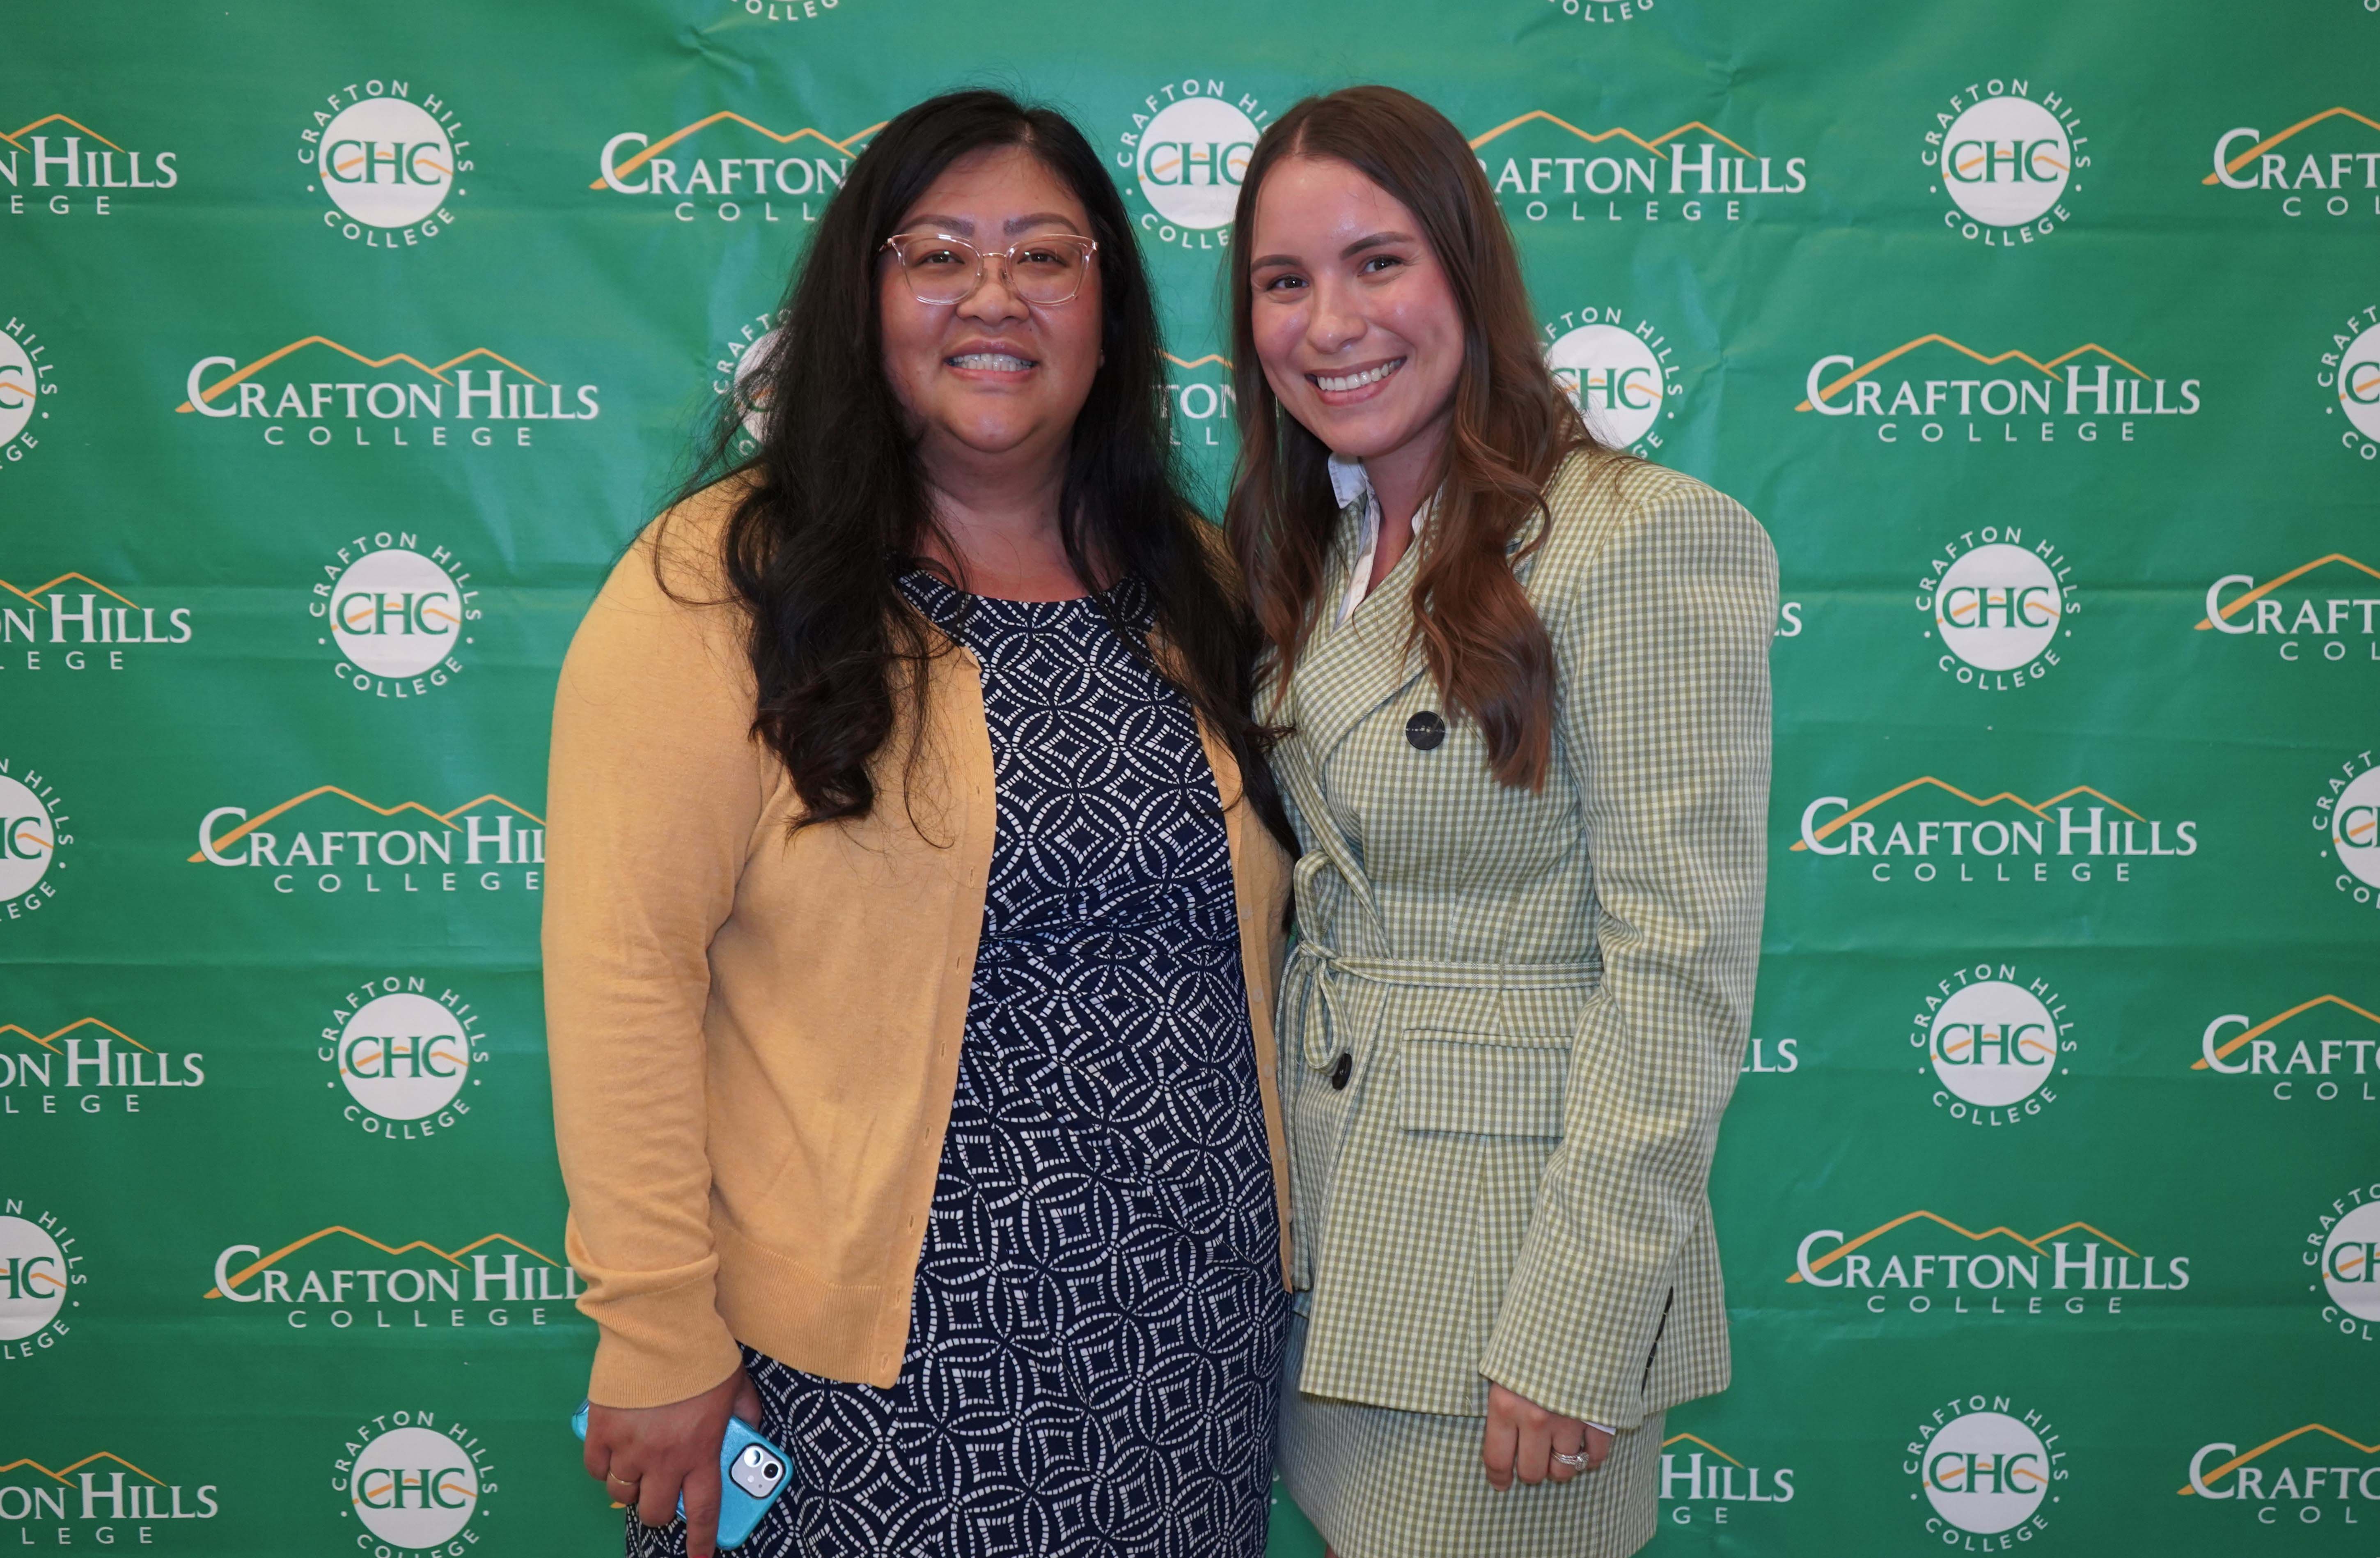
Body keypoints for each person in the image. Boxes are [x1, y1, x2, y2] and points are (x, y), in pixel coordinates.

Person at [543, 89, 1297, 1558]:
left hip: (1184, 1356)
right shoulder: (722, 583)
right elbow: (622, 970)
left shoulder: (1197, 577)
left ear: (1109, 310)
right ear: (865, 299)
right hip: (865, 1378)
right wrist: (654, 1329)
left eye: (1046, 256)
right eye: (937, 254)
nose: (993, 296)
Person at [1222, 86, 1775, 1558]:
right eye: (1286, 281)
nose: (1330, 322)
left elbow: (1680, 975)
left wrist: (1579, 1328)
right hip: (1337, 1249)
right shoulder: (1314, 551)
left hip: (1511, 1292)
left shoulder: (1638, 538)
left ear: (1470, 267)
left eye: (1378, 262)